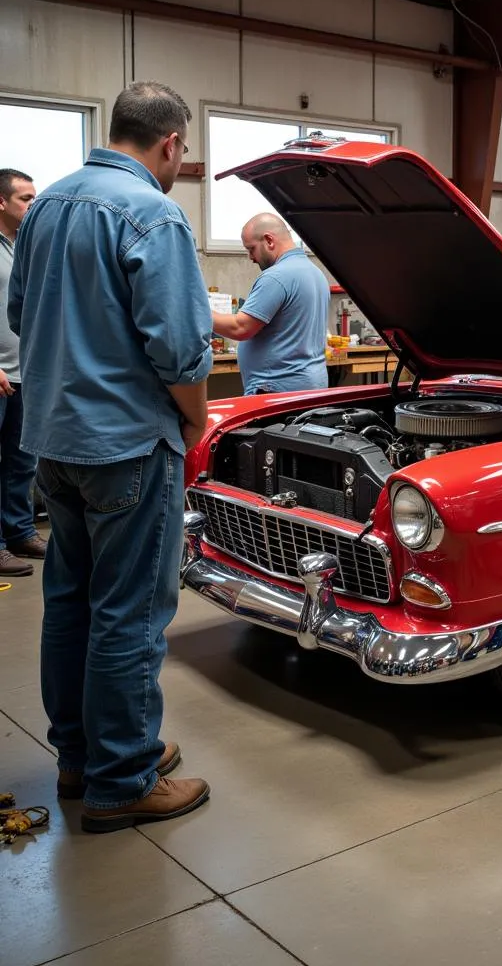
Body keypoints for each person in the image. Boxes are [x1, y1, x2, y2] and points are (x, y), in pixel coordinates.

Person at [8, 81, 213, 831]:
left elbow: (20, 315)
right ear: (170, 144)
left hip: (53, 443)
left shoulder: (48, 207)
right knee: (128, 613)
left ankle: (80, 756)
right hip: (127, 443)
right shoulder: (154, 214)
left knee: (69, 602)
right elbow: (182, 349)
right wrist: (192, 425)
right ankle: (122, 778)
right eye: (183, 153)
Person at [211, 213, 330, 395]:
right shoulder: (315, 273)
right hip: (309, 385)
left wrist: (194, 312)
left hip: (277, 389)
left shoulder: (277, 276)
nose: (251, 257)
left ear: (269, 240)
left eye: (251, 249)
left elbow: (240, 328)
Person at [0, 168, 45, 578]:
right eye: (25, 198)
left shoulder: (22, 246)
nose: (33, 205)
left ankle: (19, 532)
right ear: (2, 202)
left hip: (23, 374)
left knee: (21, 462)